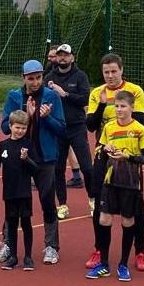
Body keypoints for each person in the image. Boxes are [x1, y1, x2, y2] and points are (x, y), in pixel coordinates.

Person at [84, 53, 144, 272]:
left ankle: (139, 251)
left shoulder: (135, 91)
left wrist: (119, 123)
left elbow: (140, 120)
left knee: (135, 206)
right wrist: (103, 105)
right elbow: (91, 125)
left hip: (129, 156)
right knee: (99, 202)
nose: (110, 75)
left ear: (121, 70)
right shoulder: (97, 93)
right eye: (106, 72)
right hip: (103, 152)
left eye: (114, 71)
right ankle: (99, 250)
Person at [0, 59, 65, 264]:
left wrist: (47, 118)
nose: (35, 82)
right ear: (23, 78)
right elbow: (5, 127)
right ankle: (8, 243)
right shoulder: (14, 96)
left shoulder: (51, 97)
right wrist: (24, 117)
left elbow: (62, 129)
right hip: (19, 158)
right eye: (31, 78)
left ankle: (51, 246)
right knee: (13, 200)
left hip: (45, 158)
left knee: (47, 200)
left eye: (38, 78)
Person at [45, 44, 91, 220]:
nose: (62, 57)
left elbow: (85, 99)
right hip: (58, 129)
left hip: (77, 127)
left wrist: (65, 94)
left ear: (72, 57)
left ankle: (93, 200)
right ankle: (62, 205)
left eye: (66, 55)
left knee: (87, 167)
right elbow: (42, 98)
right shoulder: (49, 78)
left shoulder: (80, 76)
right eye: (60, 55)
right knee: (58, 169)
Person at [0, 110, 39, 270]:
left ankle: (28, 257)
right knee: (11, 224)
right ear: (10, 126)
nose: (20, 131)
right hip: (9, 192)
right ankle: (13, 257)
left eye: (24, 128)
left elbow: (36, 169)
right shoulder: (2, 145)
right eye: (17, 127)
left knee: (25, 223)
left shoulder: (28, 145)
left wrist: (26, 159)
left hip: (24, 192)